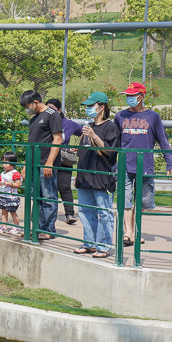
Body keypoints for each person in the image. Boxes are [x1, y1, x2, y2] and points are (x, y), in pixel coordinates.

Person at [114, 82, 172, 246]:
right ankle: (128, 232)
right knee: (125, 199)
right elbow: (114, 143)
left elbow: (163, 141)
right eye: (127, 96)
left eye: (132, 96)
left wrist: (170, 164)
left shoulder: (153, 117)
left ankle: (135, 231)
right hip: (125, 166)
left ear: (141, 97)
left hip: (145, 166)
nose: (129, 98)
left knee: (140, 202)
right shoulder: (120, 116)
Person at [73, 92, 120, 259]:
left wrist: (94, 136)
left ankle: (104, 245)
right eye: (87, 106)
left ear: (101, 107)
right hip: (85, 175)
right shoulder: (88, 126)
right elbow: (83, 151)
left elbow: (109, 151)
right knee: (85, 211)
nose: (88, 109)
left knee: (104, 212)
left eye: (91, 106)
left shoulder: (110, 127)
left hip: (102, 176)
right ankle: (89, 244)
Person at [21, 90, 63, 240]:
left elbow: (57, 139)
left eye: (28, 106)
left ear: (36, 103)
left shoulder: (52, 114)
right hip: (33, 165)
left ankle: (48, 229)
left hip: (45, 164)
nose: (27, 109)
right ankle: (36, 227)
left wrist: (49, 163)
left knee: (48, 197)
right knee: (36, 197)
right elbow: (32, 143)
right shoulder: (35, 118)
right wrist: (26, 165)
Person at [46, 99, 80, 225]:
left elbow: (83, 133)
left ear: (59, 110)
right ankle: (49, 216)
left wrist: (78, 146)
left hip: (63, 160)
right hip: (48, 159)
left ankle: (69, 214)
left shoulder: (68, 124)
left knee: (64, 187)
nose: (49, 111)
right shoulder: (46, 121)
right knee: (49, 189)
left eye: (52, 108)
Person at [0, 151, 23, 236]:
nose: (3, 164)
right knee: (4, 212)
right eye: (3, 162)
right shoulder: (3, 173)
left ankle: (16, 227)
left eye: (6, 163)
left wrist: (9, 183)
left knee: (12, 212)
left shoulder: (15, 173)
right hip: (3, 196)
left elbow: (18, 184)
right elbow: (1, 182)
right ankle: (4, 226)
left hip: (11, 197)